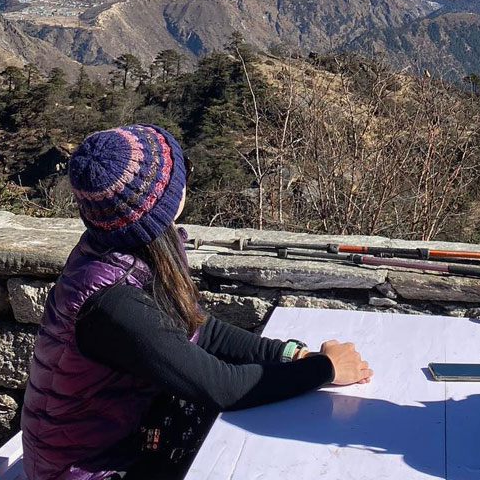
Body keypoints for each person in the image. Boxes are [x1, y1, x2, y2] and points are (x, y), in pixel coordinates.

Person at [22, 124, 372, 480]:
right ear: (164, 203)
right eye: (181, 171)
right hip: (89, 470)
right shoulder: (113, 304)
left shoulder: (127, 253)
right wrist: (325, 369)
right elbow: (223, 387)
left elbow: (200, 329)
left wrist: (291, 355)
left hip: (118, 443)